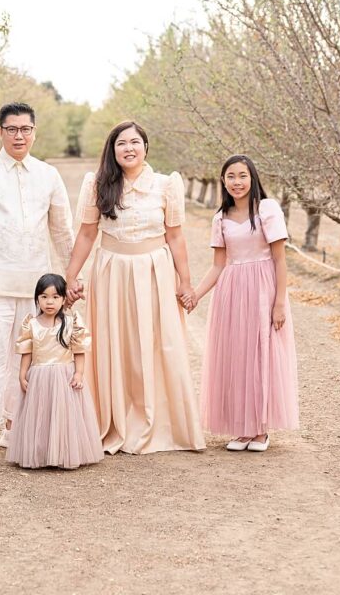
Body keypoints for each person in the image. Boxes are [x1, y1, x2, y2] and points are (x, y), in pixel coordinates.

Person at [66, 121, 205, 455]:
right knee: (114, 344)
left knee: (158, 344)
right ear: (112, 150)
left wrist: (185, 281)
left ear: (145, 146)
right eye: (121, 143)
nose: (128, 148)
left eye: (135, 142)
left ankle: (158, 422)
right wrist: (71, 276)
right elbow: (87, 233)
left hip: (154, 272)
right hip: (111, 271)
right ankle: (114, 420)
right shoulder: (98, 184)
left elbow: (175, 236)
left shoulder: (165, 185)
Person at [0, 102, 74, 464]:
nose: (19, 135)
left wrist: (73, 276)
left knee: (28, 357)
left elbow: (62, 230)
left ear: (34, 131)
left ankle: (15, 425)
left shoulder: (48, 175)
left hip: (36, 287)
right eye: (12, 129)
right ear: (1, 132)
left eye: (25, 129)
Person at [189, 154, 299, 452]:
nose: (237, 182)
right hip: (232, 290)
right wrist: (195, 295)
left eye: (242, 176)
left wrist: (279, 302)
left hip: (263, 287)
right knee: (236, 356)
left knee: (260, 354)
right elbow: (217, 265)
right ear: (223, 181)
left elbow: (279, 259)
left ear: (252, 178)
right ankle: (242, 429)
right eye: (230, 177)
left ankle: (260, 430)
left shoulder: (267, 209)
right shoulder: (220, 218)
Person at [5, 273, 103, 469]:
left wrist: (79, 373)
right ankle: (40, 453)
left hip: (64, 375)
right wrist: (22, 374)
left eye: (55, 297)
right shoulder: (31, 324)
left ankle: (65, 453)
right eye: (44, 296)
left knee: (64, 415)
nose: (49, 302)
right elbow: (27, 352)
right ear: (37, 299)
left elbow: (79, 351)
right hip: (39, 375)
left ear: (64, 299)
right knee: (40, 414)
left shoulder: (70, 323)